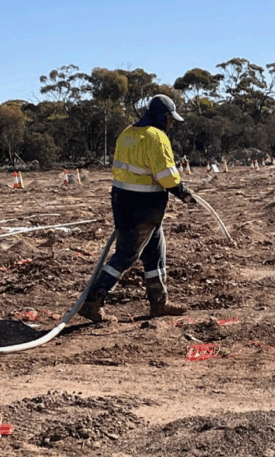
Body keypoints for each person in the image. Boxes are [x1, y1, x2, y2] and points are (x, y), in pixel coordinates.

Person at [78, 94, 197, 323]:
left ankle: (159, 303)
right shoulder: (156, 137)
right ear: (162, 117)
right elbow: (167, 177)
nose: (171, 124)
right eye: (170, 119)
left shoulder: (127, 133)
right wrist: (182, 192)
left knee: (154, 254)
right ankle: (93, 302)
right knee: (125, 255)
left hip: (124, 201)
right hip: (143, 207)